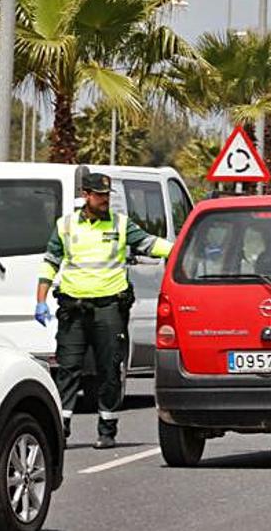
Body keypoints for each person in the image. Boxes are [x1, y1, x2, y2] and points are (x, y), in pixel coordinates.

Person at [34, 173, 173, 449]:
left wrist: (181, 249)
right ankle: (61, 428)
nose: (104, 200)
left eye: (107, 196)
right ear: (86, 195)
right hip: (74, 308)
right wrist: (40, 299)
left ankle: (107, 429)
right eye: (99, 195)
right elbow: (50, 262)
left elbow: (149, 243)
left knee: (109, 369)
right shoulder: (66, 226)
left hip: (109, 308)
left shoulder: (120, 225)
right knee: (68, 368)